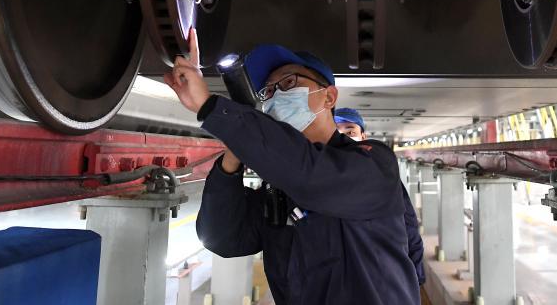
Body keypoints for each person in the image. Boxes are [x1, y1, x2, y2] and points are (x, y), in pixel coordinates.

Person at [163, 30, 421, 304]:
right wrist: (232, 158)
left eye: (288, 82)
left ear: (329, 98)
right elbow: (223, 238)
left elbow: (312, 174)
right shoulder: (278, 190)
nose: (275, 96)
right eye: (269, 91)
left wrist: (212, 107)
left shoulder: (373, 163)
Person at [334, 107, 426, 286]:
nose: (344, 137)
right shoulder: (318, 176)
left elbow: (408, 224)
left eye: (350, 130)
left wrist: (416, 275)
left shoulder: (380, 174)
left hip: (378, 275)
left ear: (363, 136)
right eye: (337, 131)